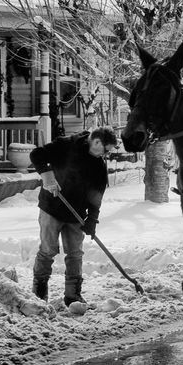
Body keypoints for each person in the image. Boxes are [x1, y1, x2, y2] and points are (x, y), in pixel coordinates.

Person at [30, 126, 118, 306]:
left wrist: (92, 220)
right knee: (48, 250)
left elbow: (96, 197)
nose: (106, 155)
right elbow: (37, 154)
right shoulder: (66, 145)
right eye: (106, 150)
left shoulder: (99, 167)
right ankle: (39, 294)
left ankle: (73, 295)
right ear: (96, 142)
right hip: (51, 207)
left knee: (75, 254)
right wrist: (47, 176)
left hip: (75, 214)